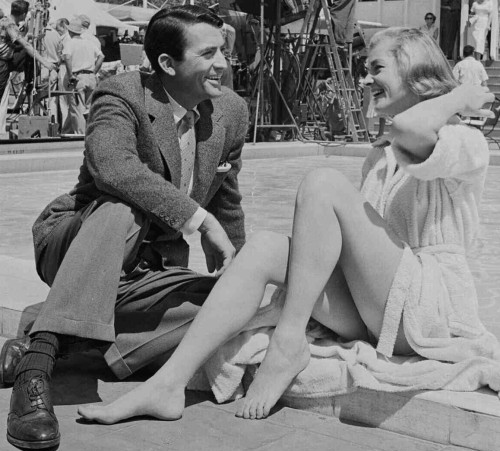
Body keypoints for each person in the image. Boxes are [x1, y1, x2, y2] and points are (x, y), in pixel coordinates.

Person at [77, 27, 500, 426]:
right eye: (365, 68)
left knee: (323, 182)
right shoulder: (383, 153)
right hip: (380, 308)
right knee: (262, 247)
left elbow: (413, 127)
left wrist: (460, 93)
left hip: (429, 312)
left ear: (413, 69)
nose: (364, 77)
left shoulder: (465, 142)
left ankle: (288, 340)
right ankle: (166, 385)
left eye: (377, 68)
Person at [1, 5, 248, 450]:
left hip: (147, 271)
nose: (223, 64)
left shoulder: (230, 110)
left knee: (231, 307)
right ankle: (35, 370)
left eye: (223, 52)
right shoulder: (121, 94)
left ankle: (60, 331)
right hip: (80, 238)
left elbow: (227, 198)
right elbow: (112, 167)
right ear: (167, 64)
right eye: (209, 53)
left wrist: (242, 269)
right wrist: (199, 219)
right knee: (121, 207)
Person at [0, 0, 55, 102]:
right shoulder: (11, 25)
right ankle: (30, 79)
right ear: (24, 14)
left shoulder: (3, 21)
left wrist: (27, 37)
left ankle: (30, 79)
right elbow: (25, 46)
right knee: (29, 52)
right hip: (2, 63)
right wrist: (45, 62)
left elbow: (11, 44)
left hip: (4, 62)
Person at [61, 19, 104, 134]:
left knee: (77, 109)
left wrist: (70, 75)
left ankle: (80, 135)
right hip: (90, 77)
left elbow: (67, 58)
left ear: (70, 31)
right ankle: (69, 131)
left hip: (77, 77)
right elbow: (101, 56)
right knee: (88, 109)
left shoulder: (70, 43)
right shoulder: (89, 42)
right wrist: (94, 72)